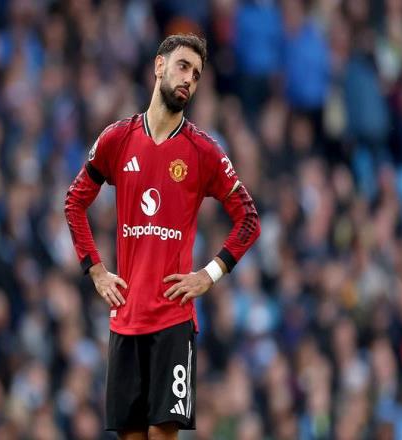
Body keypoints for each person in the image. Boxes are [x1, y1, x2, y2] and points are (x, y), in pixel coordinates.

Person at [64, 33, 260, 440]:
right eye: (183, 66)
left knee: (163, 434)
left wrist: (209, 274)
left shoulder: (204, 151)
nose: (189, 79)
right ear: (159, 66)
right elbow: (74, 202)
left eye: (197, 74)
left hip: (173, 319)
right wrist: (96, 270)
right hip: (125, 318)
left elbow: (249, 219)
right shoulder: (117, 139)